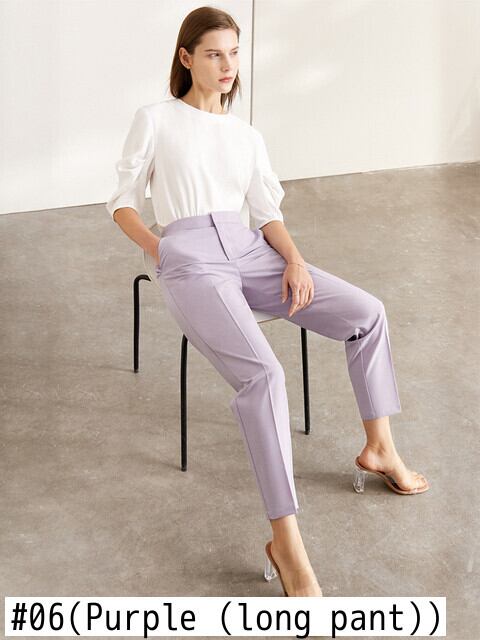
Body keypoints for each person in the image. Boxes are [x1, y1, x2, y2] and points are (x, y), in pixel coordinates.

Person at [105, 6, 429, 597]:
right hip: (190, 254)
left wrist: (295, 260)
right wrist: (161, 249)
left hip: (251, 250)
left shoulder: (246, 135)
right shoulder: (156, 119)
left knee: (367, 313)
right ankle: (287, 543)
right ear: (186, 58)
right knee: (265, 376)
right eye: (213, 53)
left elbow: (266, 211)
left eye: (233, 53)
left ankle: (380, 447)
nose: (227, 65)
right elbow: (122, 201)